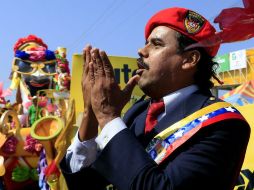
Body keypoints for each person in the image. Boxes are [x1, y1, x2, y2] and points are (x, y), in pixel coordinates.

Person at [60, 7, 250, 190]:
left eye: (157, 44)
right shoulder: (139, 112)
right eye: (146, 42)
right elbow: (84, 184)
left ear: (189, 60)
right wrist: (91, 115)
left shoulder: (223, 123)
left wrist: (108, 116)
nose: (142, 51)